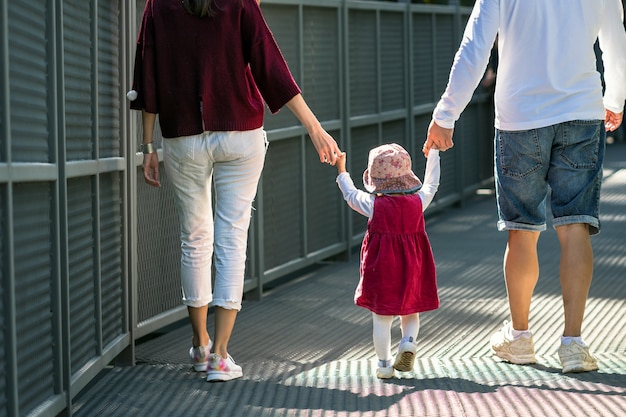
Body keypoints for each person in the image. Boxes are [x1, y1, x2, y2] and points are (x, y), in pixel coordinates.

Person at [129, 0, 341, 382]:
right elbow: (269, 64)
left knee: (193, 238)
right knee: (232, 238)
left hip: (182, 137)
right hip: (240, 135)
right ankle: (221, 357)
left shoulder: (158, 5)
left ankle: (200, 347)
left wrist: (147, 146)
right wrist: (314, 126)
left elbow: (148, 74)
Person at [424, 0, 626, 373]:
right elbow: (615, 40)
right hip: (581, 111)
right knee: (576, 225)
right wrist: (615, 98)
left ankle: (519, 338)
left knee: (521, 229)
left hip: (520, 117)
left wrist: (446, 114)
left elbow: (475, 47)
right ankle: (574, 345)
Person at [334, 144, 440, 379]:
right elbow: (432, 184)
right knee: (411, 312)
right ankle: (408, 342)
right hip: (413, 265)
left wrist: (342, 170)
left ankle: (383, 364)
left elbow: (351, 195)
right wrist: (434, 154)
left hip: (381, 267)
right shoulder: (418, 202)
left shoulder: (374, 206)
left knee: (381, 317)